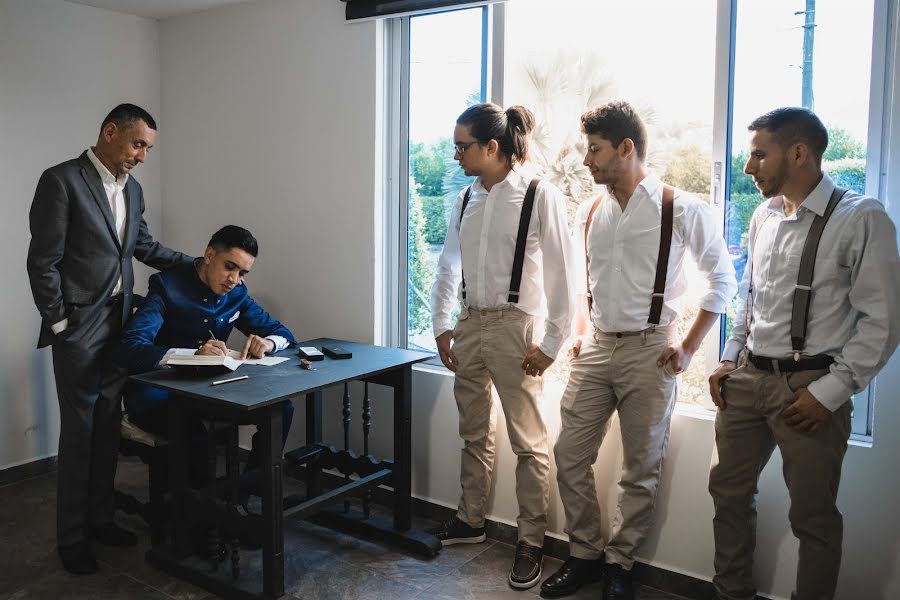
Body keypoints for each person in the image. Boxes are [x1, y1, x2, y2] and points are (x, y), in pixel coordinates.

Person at [542, 101, 736, 600]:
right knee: (568, 454)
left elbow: (722, 282)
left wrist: (690, 347)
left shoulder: (682, 207)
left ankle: (619, 565)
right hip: (597, 348)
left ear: (627, 148)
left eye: (596, 150)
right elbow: (586, 280)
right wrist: (581, 331)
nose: (587, 161)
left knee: (640, 466)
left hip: (652, 350)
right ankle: (584, 554)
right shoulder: (589, 211)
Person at [707, 107, 900, 600]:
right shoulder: (764, 216)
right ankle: (730, 593)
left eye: (758, 154)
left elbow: (884, 321)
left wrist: (830, 393)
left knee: (813, 519)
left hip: (809, 389)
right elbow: (750, 294)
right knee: (727, 495)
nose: (748, 167)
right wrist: (730, 358)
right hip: (748, 380)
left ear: (798, 153)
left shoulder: (861, 217)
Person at [26, 103, 192, 575]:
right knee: (79, 436)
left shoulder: (133, 189)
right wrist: (61, 324)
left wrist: (197, 265)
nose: (142, 156)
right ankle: (72, 538)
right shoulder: (60, 181)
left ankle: (100, 520)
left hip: (121, 326)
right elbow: (43, 262)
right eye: (138, 144)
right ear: (109, 132)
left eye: (148, 149)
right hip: (78, 328)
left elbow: (144, 248)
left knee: (105, 430)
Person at [428, 103, 574, 590]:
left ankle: (531, 540)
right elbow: (448, 265)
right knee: (473, 431)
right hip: (469, 324)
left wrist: (553, 342)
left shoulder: (538, 194)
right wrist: (442, 327)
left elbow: (561, 275)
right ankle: (471, 520)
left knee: (529, 442)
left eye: (462, 147)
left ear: (493, 147)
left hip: (518, 327)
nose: (456, 156)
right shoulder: (466, 199)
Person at [113, 225, 295, 480]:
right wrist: (191, 355)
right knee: (195, 431)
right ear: (209, 255)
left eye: (242, 272)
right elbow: (130, 348)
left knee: (281, 409)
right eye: (229, 267)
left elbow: (283, 333)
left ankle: (250, 493)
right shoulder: (166, 287)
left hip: (209, 392)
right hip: (157, 394)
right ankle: (197, 510)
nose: (234, 279)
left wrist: (268, 343)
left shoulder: (237, 294)